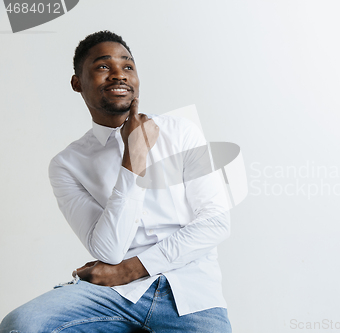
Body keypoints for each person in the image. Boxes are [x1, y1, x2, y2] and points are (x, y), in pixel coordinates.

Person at [0, 31, 232, 332]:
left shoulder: (181, 132)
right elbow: (108, 250)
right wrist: (133, 161)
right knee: (22, 325)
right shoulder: (67, 164)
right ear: (77, 83)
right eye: (103, 67)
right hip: (114, 296)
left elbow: (216, 222)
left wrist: (129, 270)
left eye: (128, 66)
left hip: (190, 292)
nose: (119, 75)